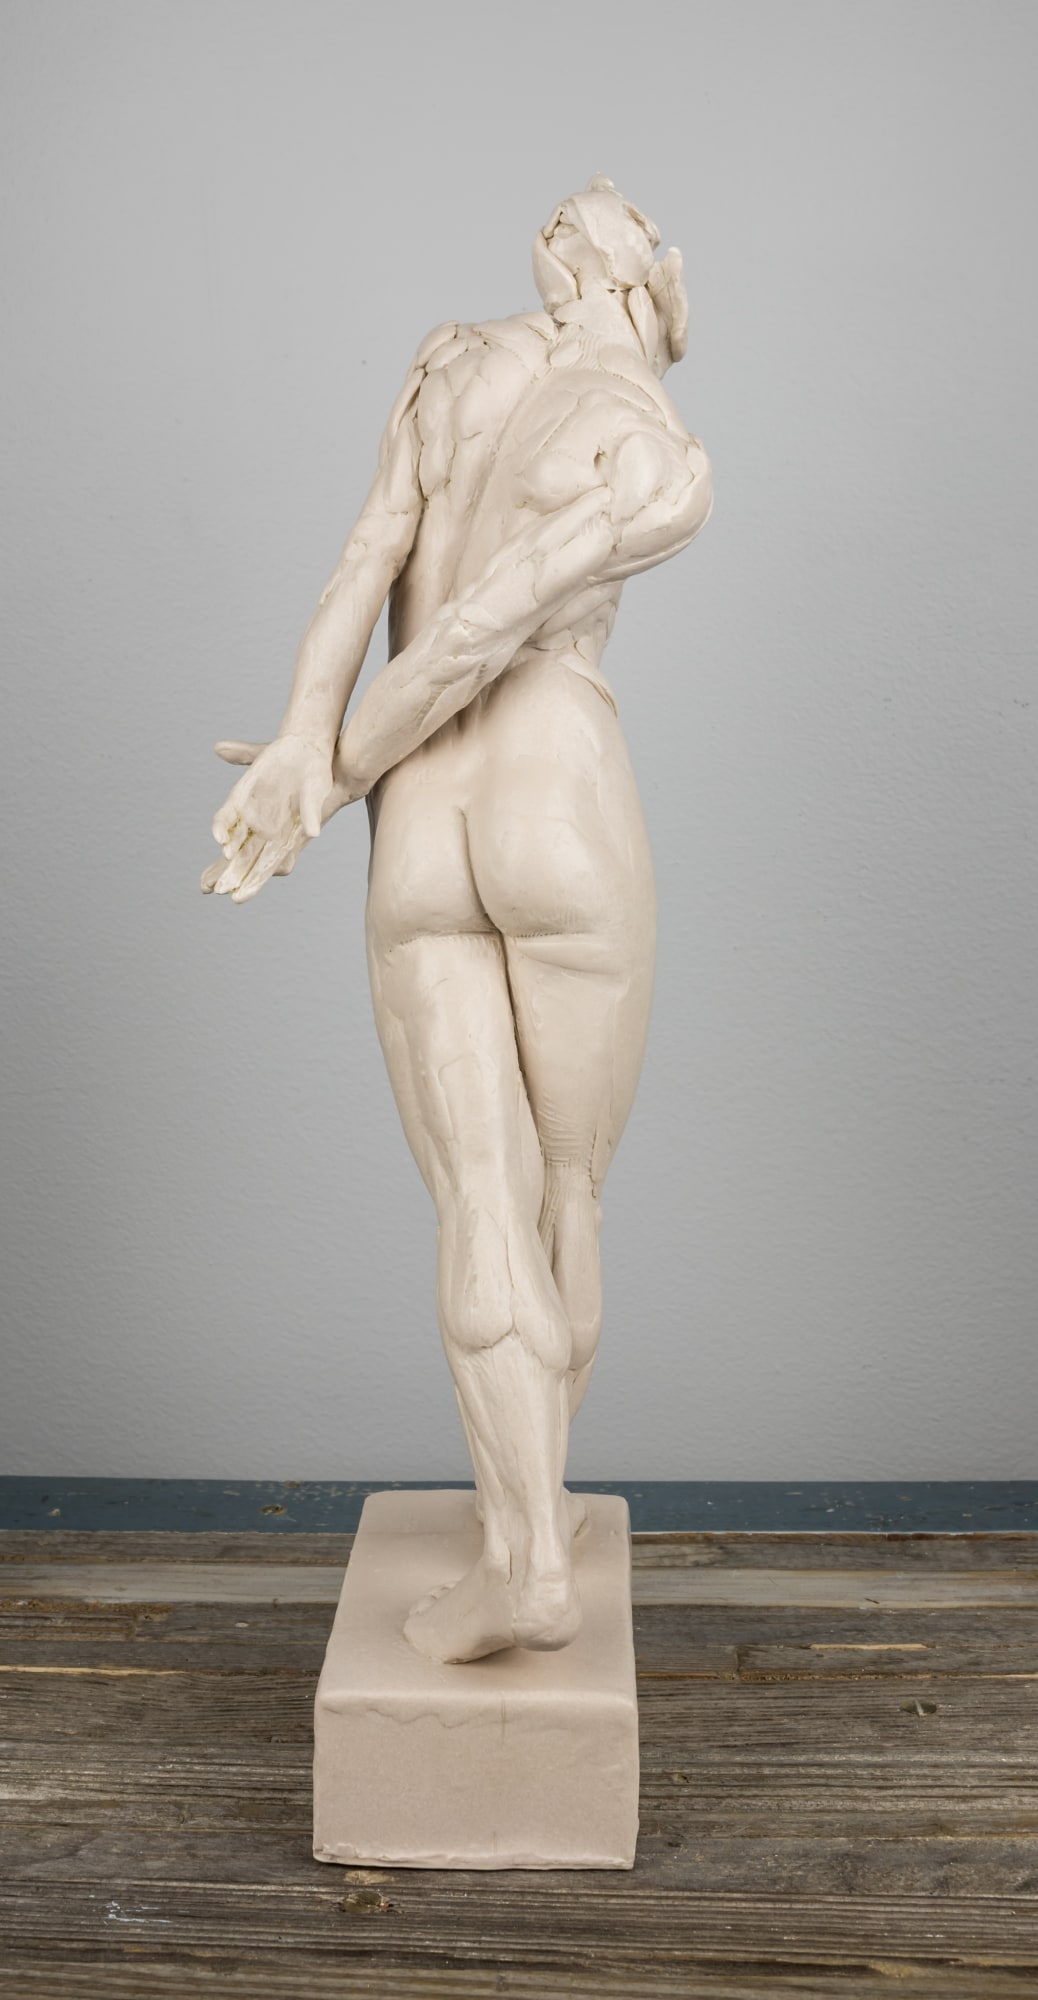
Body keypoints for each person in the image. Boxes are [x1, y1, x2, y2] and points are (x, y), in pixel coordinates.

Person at [202, 178, 712, 1663]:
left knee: (479, 1202)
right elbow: (494, 630)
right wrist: (333, 763)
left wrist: (316, 753)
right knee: (568, 1193)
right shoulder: (660, 451)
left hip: (421, 819)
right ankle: (528, 1556)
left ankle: (520, 1542)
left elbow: (368, 566)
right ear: (660, 282)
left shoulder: (451, 365)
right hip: (559, 785)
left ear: (554, 263)